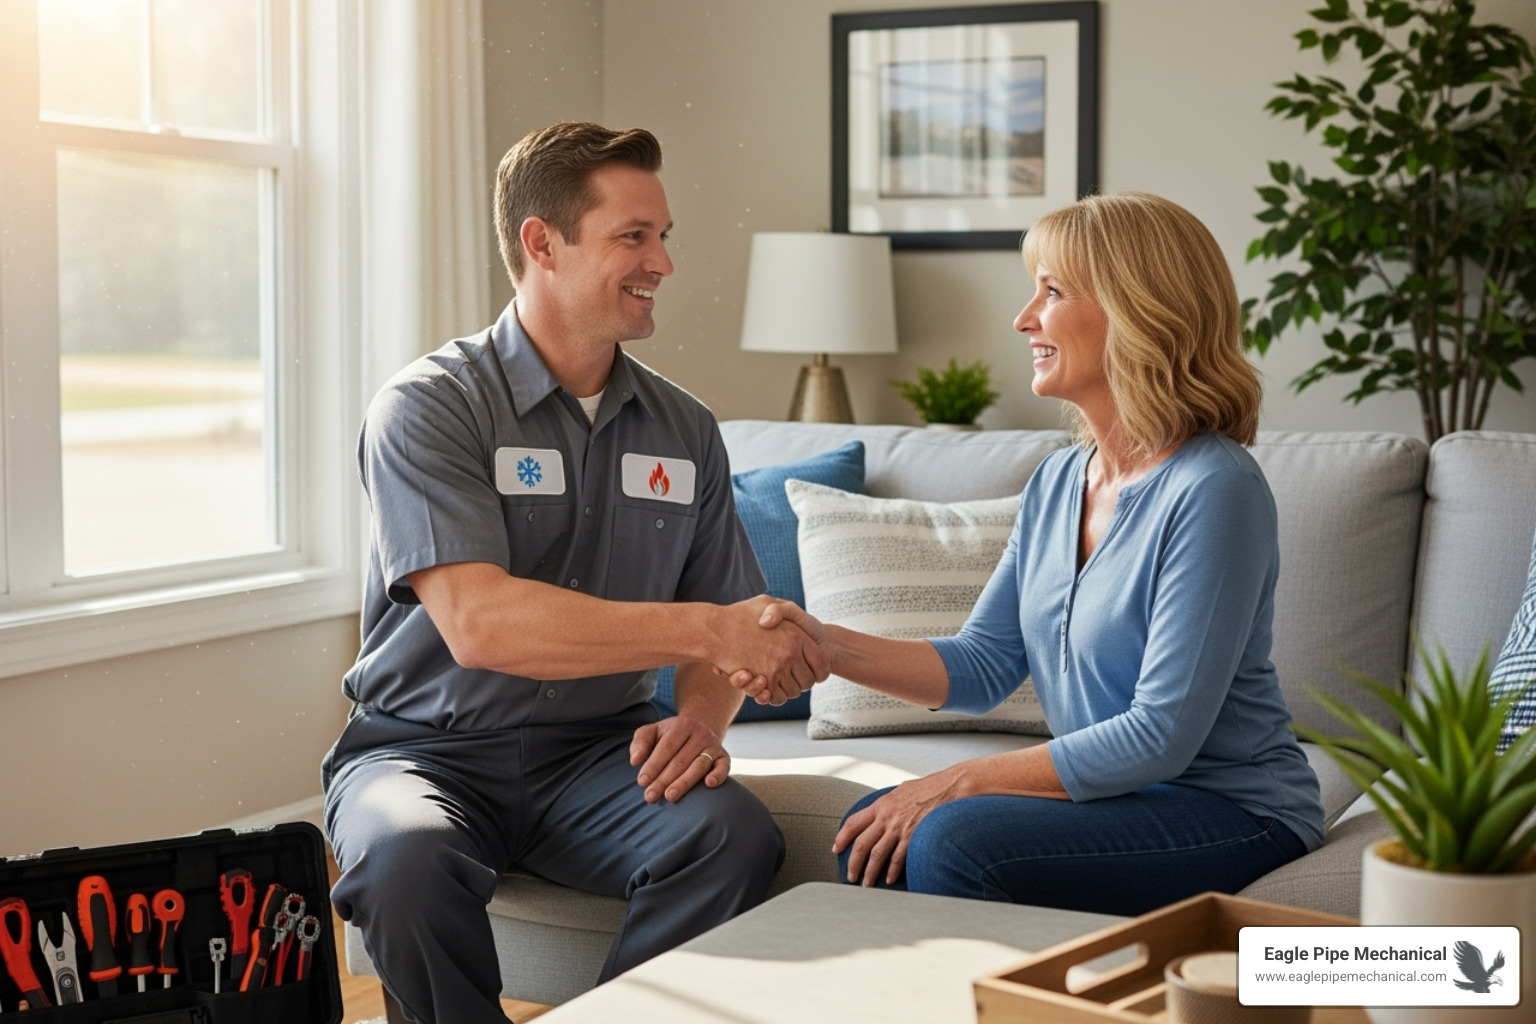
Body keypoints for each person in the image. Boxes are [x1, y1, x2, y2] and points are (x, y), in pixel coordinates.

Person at [322, 121, 827, 1024]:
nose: (662, 262)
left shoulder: (686, 429)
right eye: (633, 236)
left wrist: (702, 719)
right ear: (541, 243)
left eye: (664, 236)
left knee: (731, 837)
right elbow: (482, 625)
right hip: (423, 749)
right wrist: (705, 630)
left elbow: (728, 624)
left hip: (599, 755)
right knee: (405, 862)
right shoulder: (428, 408)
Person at [741, 191, 1325, 917]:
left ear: (1135, 311)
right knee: (875, 829)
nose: (1023, 319)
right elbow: (983, 665)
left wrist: (960, 780)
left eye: (1051, 292)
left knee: (951, 838)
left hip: (1232, 810)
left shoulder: (1214, 488)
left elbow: (1160, 736)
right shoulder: (1058, 481)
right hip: (1124, 797)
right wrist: (820, 643)